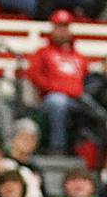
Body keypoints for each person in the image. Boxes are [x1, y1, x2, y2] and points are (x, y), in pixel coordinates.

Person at [25, 9, 90, 154]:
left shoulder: (79, 57)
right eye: (58, 27)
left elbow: (87, 80)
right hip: (49, 99)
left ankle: (86, 150)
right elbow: (34, 76)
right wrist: (58, 87)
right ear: (53, 29)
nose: (62, 31)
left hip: (77, 98)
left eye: (65, 27)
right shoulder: (43, 53)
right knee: (58, 101)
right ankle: (57, 148)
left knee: (93, 105)